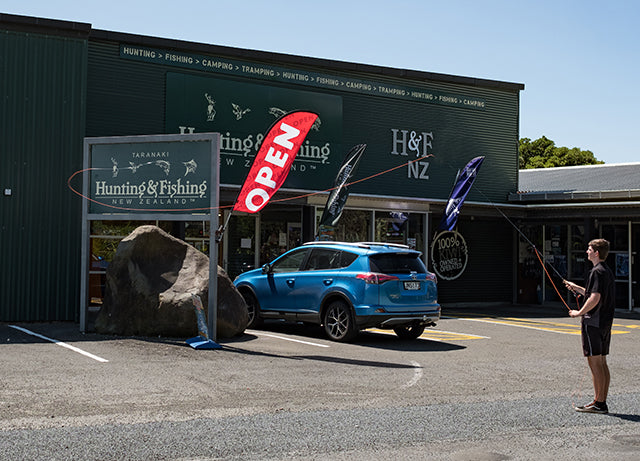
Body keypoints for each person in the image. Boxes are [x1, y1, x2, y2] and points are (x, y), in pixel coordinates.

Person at [564, 239, 615, 414]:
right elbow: (591, 292)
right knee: (602, 362)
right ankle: (601, 402)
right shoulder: (605, 271)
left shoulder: (596, 271)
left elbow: (595, 298)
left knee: (595, 363)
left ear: (596, 253)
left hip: (593, 322)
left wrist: (578, 312)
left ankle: (599, 403)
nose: (587, 251)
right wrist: (576, 287)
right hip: (604, 322)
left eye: (589, 249)